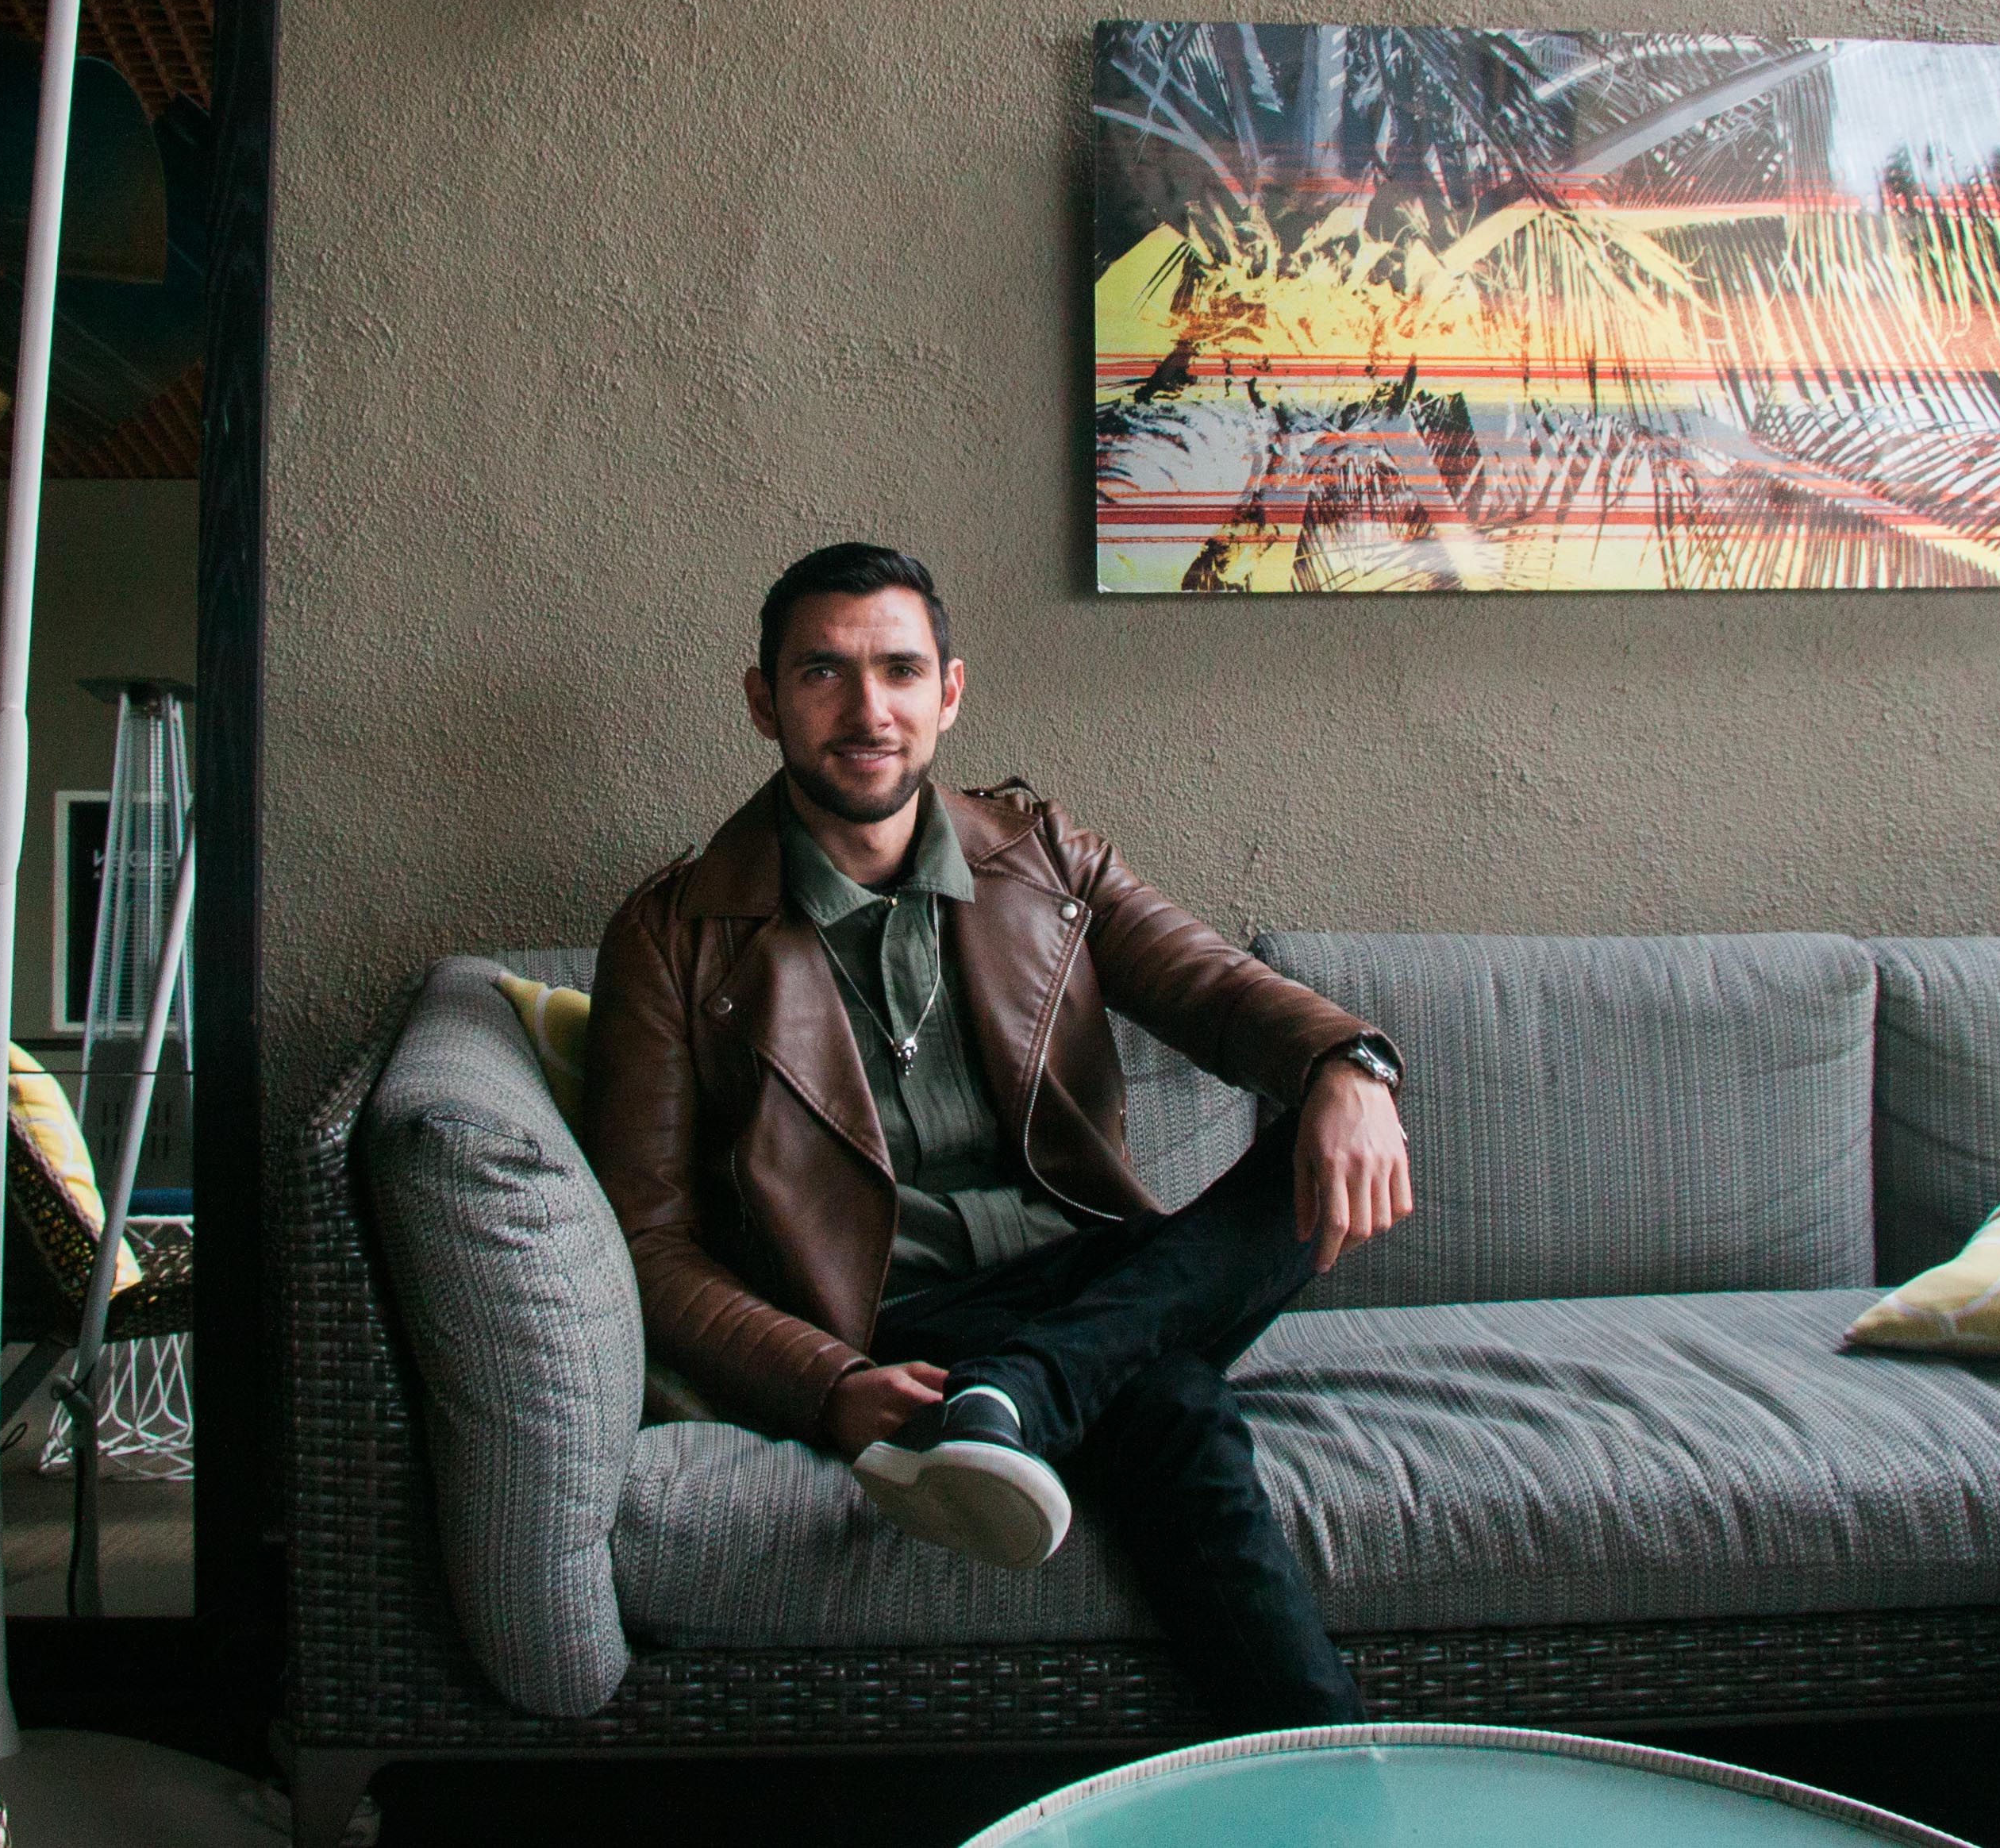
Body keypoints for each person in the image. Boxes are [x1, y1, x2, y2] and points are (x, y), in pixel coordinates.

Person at [583, 542, 1414, 1730]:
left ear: (950, 693)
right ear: (764, 700)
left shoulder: (1042, 858)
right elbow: (651, 1246)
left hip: (1089, 1273)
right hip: (897, 1317)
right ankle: (1331, 1768)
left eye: (900, 670)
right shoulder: (672, 937)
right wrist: (831, 1385)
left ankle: (1022, 1391)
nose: (868, 710)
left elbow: (1218, 992)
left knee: (1331, 1132)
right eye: (823, 672)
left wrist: (1349, 1065)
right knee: (1171, 1405)